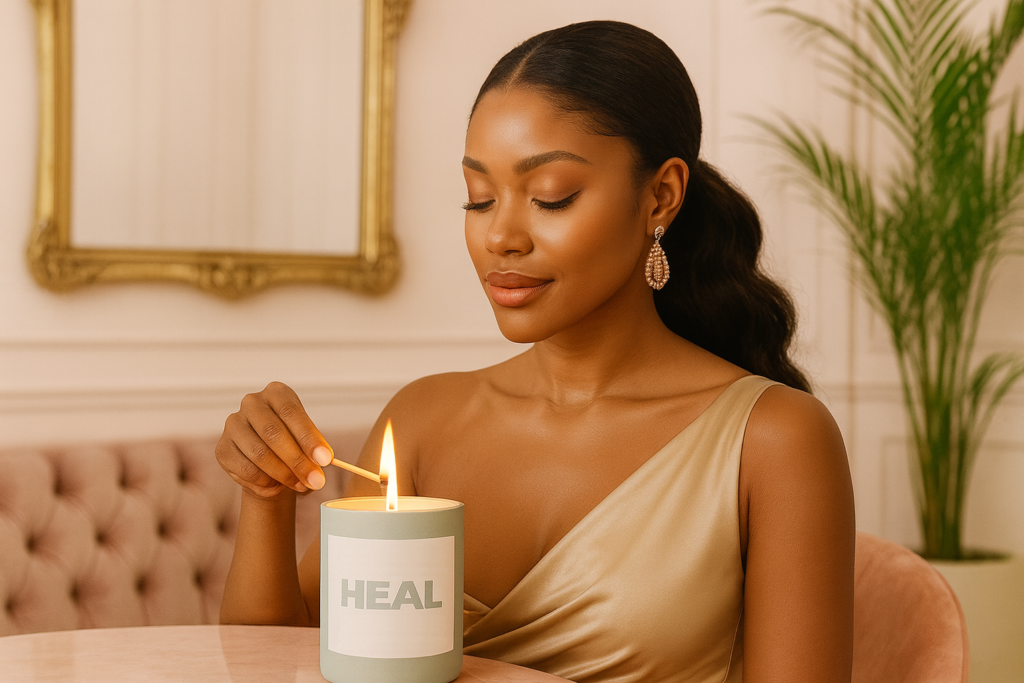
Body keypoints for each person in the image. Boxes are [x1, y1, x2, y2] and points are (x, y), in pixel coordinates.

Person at [216, 20, 855, 683]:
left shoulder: (774, 440)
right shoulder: (423, 420)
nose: (500, 235)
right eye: (479, 199)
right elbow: (275, 663)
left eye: (551, 197)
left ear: (661, 196)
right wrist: (265, 497)